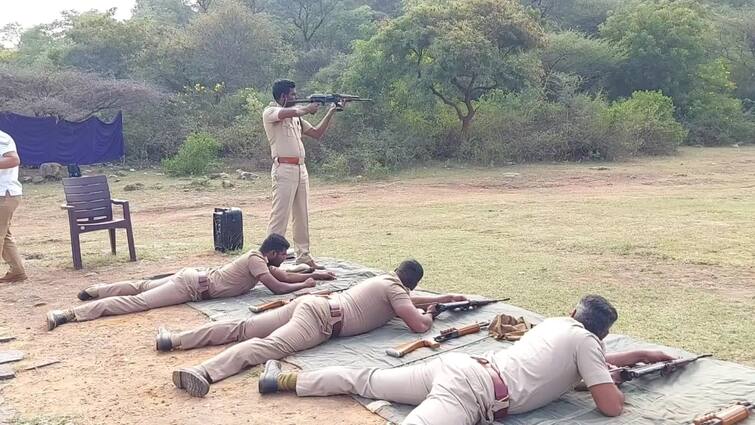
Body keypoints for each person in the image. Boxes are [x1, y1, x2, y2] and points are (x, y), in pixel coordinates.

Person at [258, 295, 676, 425]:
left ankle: (284, 381)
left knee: (364, 378)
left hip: (462, 369)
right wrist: (616, 383)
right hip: (473, 395)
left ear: (573, 315)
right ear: (600, 333)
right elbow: (608, 405)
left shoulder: (556, 327)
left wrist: (638, 355)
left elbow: (592, 364)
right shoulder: (587, 345)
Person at [170, 259, 467, 397]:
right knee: (269, 346)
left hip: (313, 304)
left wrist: (443, 297)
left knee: (244, 327)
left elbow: (406, 298)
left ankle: (175, 339)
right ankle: (204, 371)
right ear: (409, 282)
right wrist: (432, 314)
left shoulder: (385, 281)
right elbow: (417, 325)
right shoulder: (396, 290)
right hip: (322, 321)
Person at [45, 234, 335, 330]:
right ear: (272, 252)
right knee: (140, 301)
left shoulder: (261, 259)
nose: (284, 259)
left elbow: (283, 275)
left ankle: (95, 290)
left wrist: (313, 275)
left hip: (194, 279)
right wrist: (305, 287)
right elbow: (278, 286)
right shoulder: (256, 260)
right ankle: (70, 314)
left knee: (143, 286)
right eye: (282, 255)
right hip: (193, 286)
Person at [262, 79, 337, 270]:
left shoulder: (296, 118)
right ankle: (268, 259)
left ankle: (303, 255)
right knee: (280, 216)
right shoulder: (270, 112)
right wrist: (308, 107)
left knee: (301, 214)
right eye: (293, 95)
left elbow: (317, 133)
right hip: (283, 168)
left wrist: (331, 110)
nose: (296, 98)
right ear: (283, 96)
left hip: (300, 169)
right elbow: (291, 111)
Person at [0, 130, 26, 283]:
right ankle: (17, 271)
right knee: (4, 233)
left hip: (4, 194)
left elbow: (14, 160)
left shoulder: (1, 138)